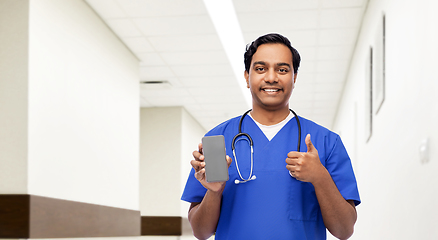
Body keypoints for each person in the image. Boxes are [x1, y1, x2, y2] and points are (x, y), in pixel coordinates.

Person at [181, 33, 360, 240]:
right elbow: (201, 232)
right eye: (260, 69)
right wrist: (214, 192)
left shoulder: (326, 142)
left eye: (282, 69)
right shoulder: (217, 140)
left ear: (294, 78)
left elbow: (344, 230)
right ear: (247, 77)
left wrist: (320, 178)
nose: (272, 77)